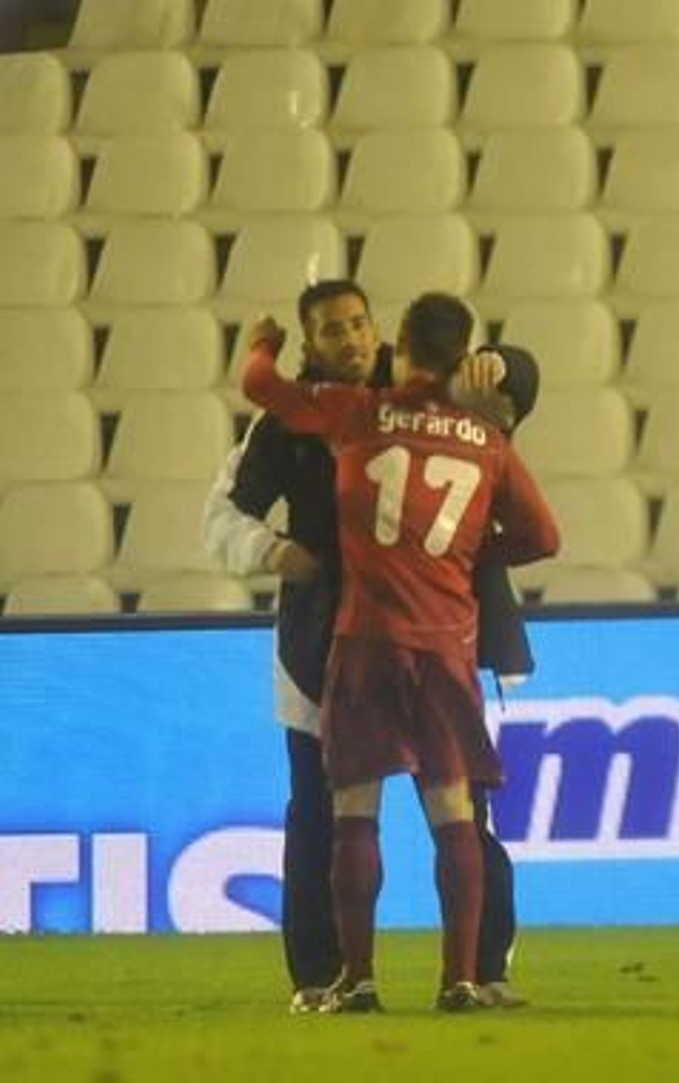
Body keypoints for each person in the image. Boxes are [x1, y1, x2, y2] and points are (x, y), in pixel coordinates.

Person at [204, 280, 540, 1012]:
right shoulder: (295, 420)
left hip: (387, 636)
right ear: (312, 343)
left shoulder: (378, 398)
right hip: (330, 635)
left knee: (441, 809)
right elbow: (223, 510)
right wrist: (270, 550)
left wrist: (500, 367)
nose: (352, 340)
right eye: (332, 330)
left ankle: (471, 966)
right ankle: (326, 973)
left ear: (380, 328)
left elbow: (519, 374)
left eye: (359, 324)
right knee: (328, 810)